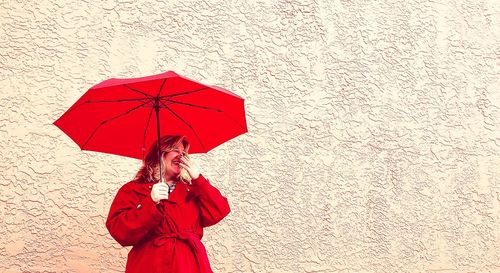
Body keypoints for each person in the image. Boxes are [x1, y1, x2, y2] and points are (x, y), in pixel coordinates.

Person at [106, 135, 230, 273]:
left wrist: (198, 179)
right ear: (159, 154)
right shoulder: (133, 189)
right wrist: (150, 202)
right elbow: (119, 230)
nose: (181, 156)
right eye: (175, 150)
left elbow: (219, 210)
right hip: (150, 264)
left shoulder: (192, 189)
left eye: (183, 152)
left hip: (189, 265)